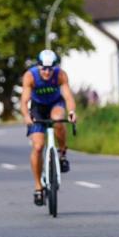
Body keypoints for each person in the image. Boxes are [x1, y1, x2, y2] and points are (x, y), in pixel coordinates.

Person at [20, 49, 77, 206]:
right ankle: (38, 187)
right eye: (43, 68)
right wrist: (26, 116)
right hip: (37, 107)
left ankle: (62, 152)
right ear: (38, 67)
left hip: (55, 104)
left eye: (50, 68)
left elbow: (68, 97)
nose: (46, 72)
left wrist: (72, 112)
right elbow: (24, 101)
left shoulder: (60, 75)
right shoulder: (30, 76)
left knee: (58, 120)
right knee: (38, 146)